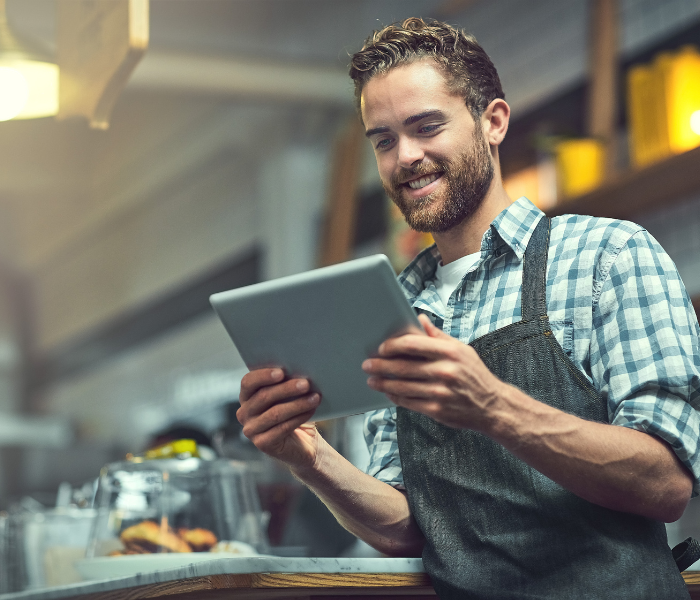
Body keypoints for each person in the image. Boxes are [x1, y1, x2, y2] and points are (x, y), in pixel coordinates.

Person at [236, 17, 700, 599]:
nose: (405, 156)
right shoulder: (394, 306)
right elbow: (410, 525)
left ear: (493, 121)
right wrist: (305, 457)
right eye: (383, 139)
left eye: (426, 126)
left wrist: (493, 406)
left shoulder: (606, 256)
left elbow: (664, 482)